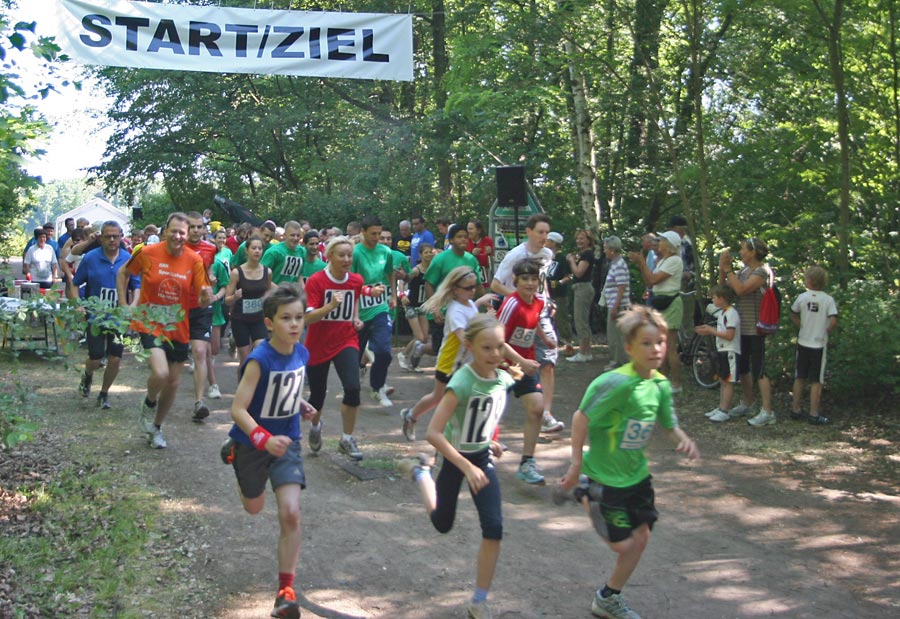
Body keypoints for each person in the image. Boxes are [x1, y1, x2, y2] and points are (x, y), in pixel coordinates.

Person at [560, 305, 699, 619]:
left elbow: (667, 423)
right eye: (647, 343)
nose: (655, 349)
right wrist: (575, 465)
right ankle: (585, 492)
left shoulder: (660, 385)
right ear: (629, 348)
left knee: (642, 538)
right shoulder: (613, 384)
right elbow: (580, 418)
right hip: (603, 478)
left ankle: (608, 597)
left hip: (636, 476)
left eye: (660, 342)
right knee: (622, 546)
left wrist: (683, 440)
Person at [397, 315, 519, 619]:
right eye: (487, 348)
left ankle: (478, 601)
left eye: (499, 347)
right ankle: (421, 472)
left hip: (481, 459)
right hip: (456, 460)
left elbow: (485, 416)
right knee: (442, 523)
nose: (494, 354)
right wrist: (465, 465)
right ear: (470, 346)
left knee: (494, 528)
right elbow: (433, 433)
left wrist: (491, 441)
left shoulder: (503, 379)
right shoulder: (461, 382)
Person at [224, 283, 316, 619]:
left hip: (287, 442)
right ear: (269, 323)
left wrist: (301, 405)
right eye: (286, 318)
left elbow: (284, 391)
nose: (294, 324)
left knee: (290, 513)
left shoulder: (302, 353)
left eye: (299, 317)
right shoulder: (258, 359)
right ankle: (232, 451)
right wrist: (261, 438)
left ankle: (285, 591)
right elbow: (238, 409)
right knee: (253, 507)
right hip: (252, 443)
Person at [117, 212, 212, 449]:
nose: (178, 236)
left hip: (178, 326)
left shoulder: (194, 260)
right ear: (165, 231)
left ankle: (157, 428)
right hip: (150, 322)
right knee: (160, 373)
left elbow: (202, 299)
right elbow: (124, 273)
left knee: (173, 382)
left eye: (183, 232)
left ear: (188, 234)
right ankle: (149, 403)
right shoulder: (147, 253)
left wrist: (205, 297)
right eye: (174, 231)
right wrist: (124, 304)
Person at [304, 236, 384, 461]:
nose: (347, 259)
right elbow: (308, 318)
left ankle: (347, 438)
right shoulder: (316, 281)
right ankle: (315, 426)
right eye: (342, 255)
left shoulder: (356, 280)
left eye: (350, 255)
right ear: (329, 256)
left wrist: (356, 319)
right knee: (317, 395)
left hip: (345, 340)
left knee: (352, 387)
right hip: (318, 343)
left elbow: (355, 299)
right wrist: (330, 306)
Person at [399, 266, 498, 441]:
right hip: (450, 363)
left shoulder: (467, 304)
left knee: (467, 398)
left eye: (474, 287)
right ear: (455, 289)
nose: (472, 291)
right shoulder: (454, 311)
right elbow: (465, 338)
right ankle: (413, 416)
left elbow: (471, 316)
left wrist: (481, 304)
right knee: (440, 398)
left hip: (465, 363)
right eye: (468, 288)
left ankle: (478, 437)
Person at [490, 214, 565, 434]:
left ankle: (546, 414)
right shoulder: (515, 256)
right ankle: (489, 423)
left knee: (549, 360)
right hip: (516, 312)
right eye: (540, 232)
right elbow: (495, 284)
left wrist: (544, 300)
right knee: (504, 364)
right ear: (529, 232)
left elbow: (540, 282)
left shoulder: (547, 254)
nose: (545, 237)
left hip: (538, 311)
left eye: (547, 233)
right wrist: (520, 299)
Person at [71, 221, 140, 409]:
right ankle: (88, 374)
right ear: (100, 237)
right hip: (96, 316)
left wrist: (132, 305)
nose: (111, 240)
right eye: (108, 236)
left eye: (115, 236)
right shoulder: (90, 258)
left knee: (115, 357)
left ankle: (104, 393)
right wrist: (79, 305)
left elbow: (137, 286)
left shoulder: (128, 259)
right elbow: (75, 282)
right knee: (96, 357)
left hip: (118, 317)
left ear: (120, 237)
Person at [497, 259, 552, 484]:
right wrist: (519, 362)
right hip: (502, 365)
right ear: (516, 281)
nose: (530, 283)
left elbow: (534, 321)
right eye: (525, 279)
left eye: (533, 279)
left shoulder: (538, 302)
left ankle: (527, 463)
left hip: (525, 364)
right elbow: (497, 340)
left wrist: (544, 338)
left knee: (537, 408)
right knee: (490, 411)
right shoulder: (511, 304)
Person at [718, 236, 777, 426]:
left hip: (756, 328)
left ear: (753, 252)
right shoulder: (743, 271)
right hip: (741, 327)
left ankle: (768, 411)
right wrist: (722, 269)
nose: (740, 252)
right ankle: (748, 402)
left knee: (759, 369)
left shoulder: (762, 271)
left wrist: (728, 270)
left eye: (743, 249)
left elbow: (742, 290)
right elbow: (725, 291)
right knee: (743, 368)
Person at [628, 230, 684, 393]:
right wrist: (643, 265)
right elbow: (650, 282)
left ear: (669, 244)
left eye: (662, 240)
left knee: (670, 345)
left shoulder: (674, 261)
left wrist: (641, 263)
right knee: (659, 343)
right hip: (659, 301)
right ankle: (662, 379)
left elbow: (652, 279)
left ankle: (676, 383)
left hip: (670, 302)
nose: (658, 242)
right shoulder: (663, 260)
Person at [352, 215, 397, 407]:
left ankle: (377, 387)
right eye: (373, 234)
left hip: (380, 307)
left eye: (379, 233)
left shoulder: (385, 252)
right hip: (359, 309)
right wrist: (366, 291)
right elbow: (350, 283)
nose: (377, 237)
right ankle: (360, 367)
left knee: (384, 352)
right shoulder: (355, 253)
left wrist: (393, 295)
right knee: (354, 356)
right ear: (363, 232)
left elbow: (390, 273)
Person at [789, 265, 838, 425]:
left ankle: (795, 409)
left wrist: (801, 325)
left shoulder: (802, 297)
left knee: (800, 376)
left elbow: (793, 313)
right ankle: (813, 413)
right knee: (816, 380)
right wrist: (826, 330)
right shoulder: (828, 300)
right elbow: (833, 320)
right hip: (818, 344)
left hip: (803, 341)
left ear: (809, 280)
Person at [185, 211, 219, 422]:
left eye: (199, 227)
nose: (196, 231)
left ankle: (199, 402)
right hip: (178, 307)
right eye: (192, 227)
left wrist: (210, 279)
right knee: (175, 358)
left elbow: (209, 270)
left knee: (199, 352)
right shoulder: (177, 247)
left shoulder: (210, 248)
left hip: (201, 306)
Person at [696, 284, 742, 422]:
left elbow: (729, 335)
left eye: (714, 298)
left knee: (728, 381)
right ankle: (721, 407)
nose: (713, 301)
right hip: (722, 350)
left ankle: (725, 410)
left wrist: (711, 330)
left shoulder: (731, 313)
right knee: (723, 379)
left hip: (730, 350)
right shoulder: (722, 313)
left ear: (722, 299)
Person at [225, 235, 274, 364]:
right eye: (254, 248)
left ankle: (256, 383)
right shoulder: (237, 273)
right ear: (247, 250)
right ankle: (242, 382)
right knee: (245, 360)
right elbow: (226, 300)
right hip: (240, 319)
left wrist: (267, 301)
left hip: (258, 318)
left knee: (260, 351)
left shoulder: (267, 272)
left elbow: (268, 291)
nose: (257, 251)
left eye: (259, 248)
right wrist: (234, 297)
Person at [397, 242, 435, 371]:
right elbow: (402, 281)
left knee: (424, 338)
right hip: (411, 305)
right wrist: (402, 295)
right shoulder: (416, 270)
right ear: (420, 255)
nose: (429, 255)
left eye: (430, 252)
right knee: (418, 336)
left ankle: (414, 364)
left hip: (423, 306)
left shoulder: (433, 269)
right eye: (426, 252)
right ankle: (403, 354)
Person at [595, 235, 629, 368]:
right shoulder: (615, 263)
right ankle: (617, 361)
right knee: (614, 334)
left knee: (617, 335)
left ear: (612, 250)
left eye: (606, 248)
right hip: (614, 304)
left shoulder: (619, 264)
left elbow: (621, 287)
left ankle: (618, 362)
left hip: (618, 306)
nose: (604, 251)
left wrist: (615, 307)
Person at [565, 229, 598, 364]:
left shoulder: (587, 255)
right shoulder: (584, 254)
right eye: (578, 238)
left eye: (582, 238)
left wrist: (571, 261)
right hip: (580, 288)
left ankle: (583, 353)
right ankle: (586, 352)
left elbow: (579, 273)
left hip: (583, 288)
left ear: (589, 240)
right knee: (582, 321)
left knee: (581, 321)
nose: (579, 241)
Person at [544, 232, 573, 357]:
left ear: (554, 243)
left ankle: (568, 341)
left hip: (559, 294)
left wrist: (558, 283)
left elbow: (568, 276)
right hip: (546, 293)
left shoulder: (562, 258)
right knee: (548, 317)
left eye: (549, 240)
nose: (546, 242)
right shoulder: (545, 256)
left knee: (561, 318)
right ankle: (553, 342)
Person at [262, 220, 307, 288]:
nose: (296, 238)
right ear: (285, 235)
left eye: (298, 235)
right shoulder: (274, 252)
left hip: (293, 295)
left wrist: (303, 292)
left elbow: (299, 276)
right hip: (273, 294)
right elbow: (262, 276)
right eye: (292, 235)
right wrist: (280, 291)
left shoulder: (302, 251)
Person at [466, 219, 495, 284]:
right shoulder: (465, 241)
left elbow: (493, 261)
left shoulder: (487, 240)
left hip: (485, 277)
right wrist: (471, 253)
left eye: (471, 229)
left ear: (479, 231)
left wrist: (490, 254)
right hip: (468, 275)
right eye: (467, 229)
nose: (468, 231)